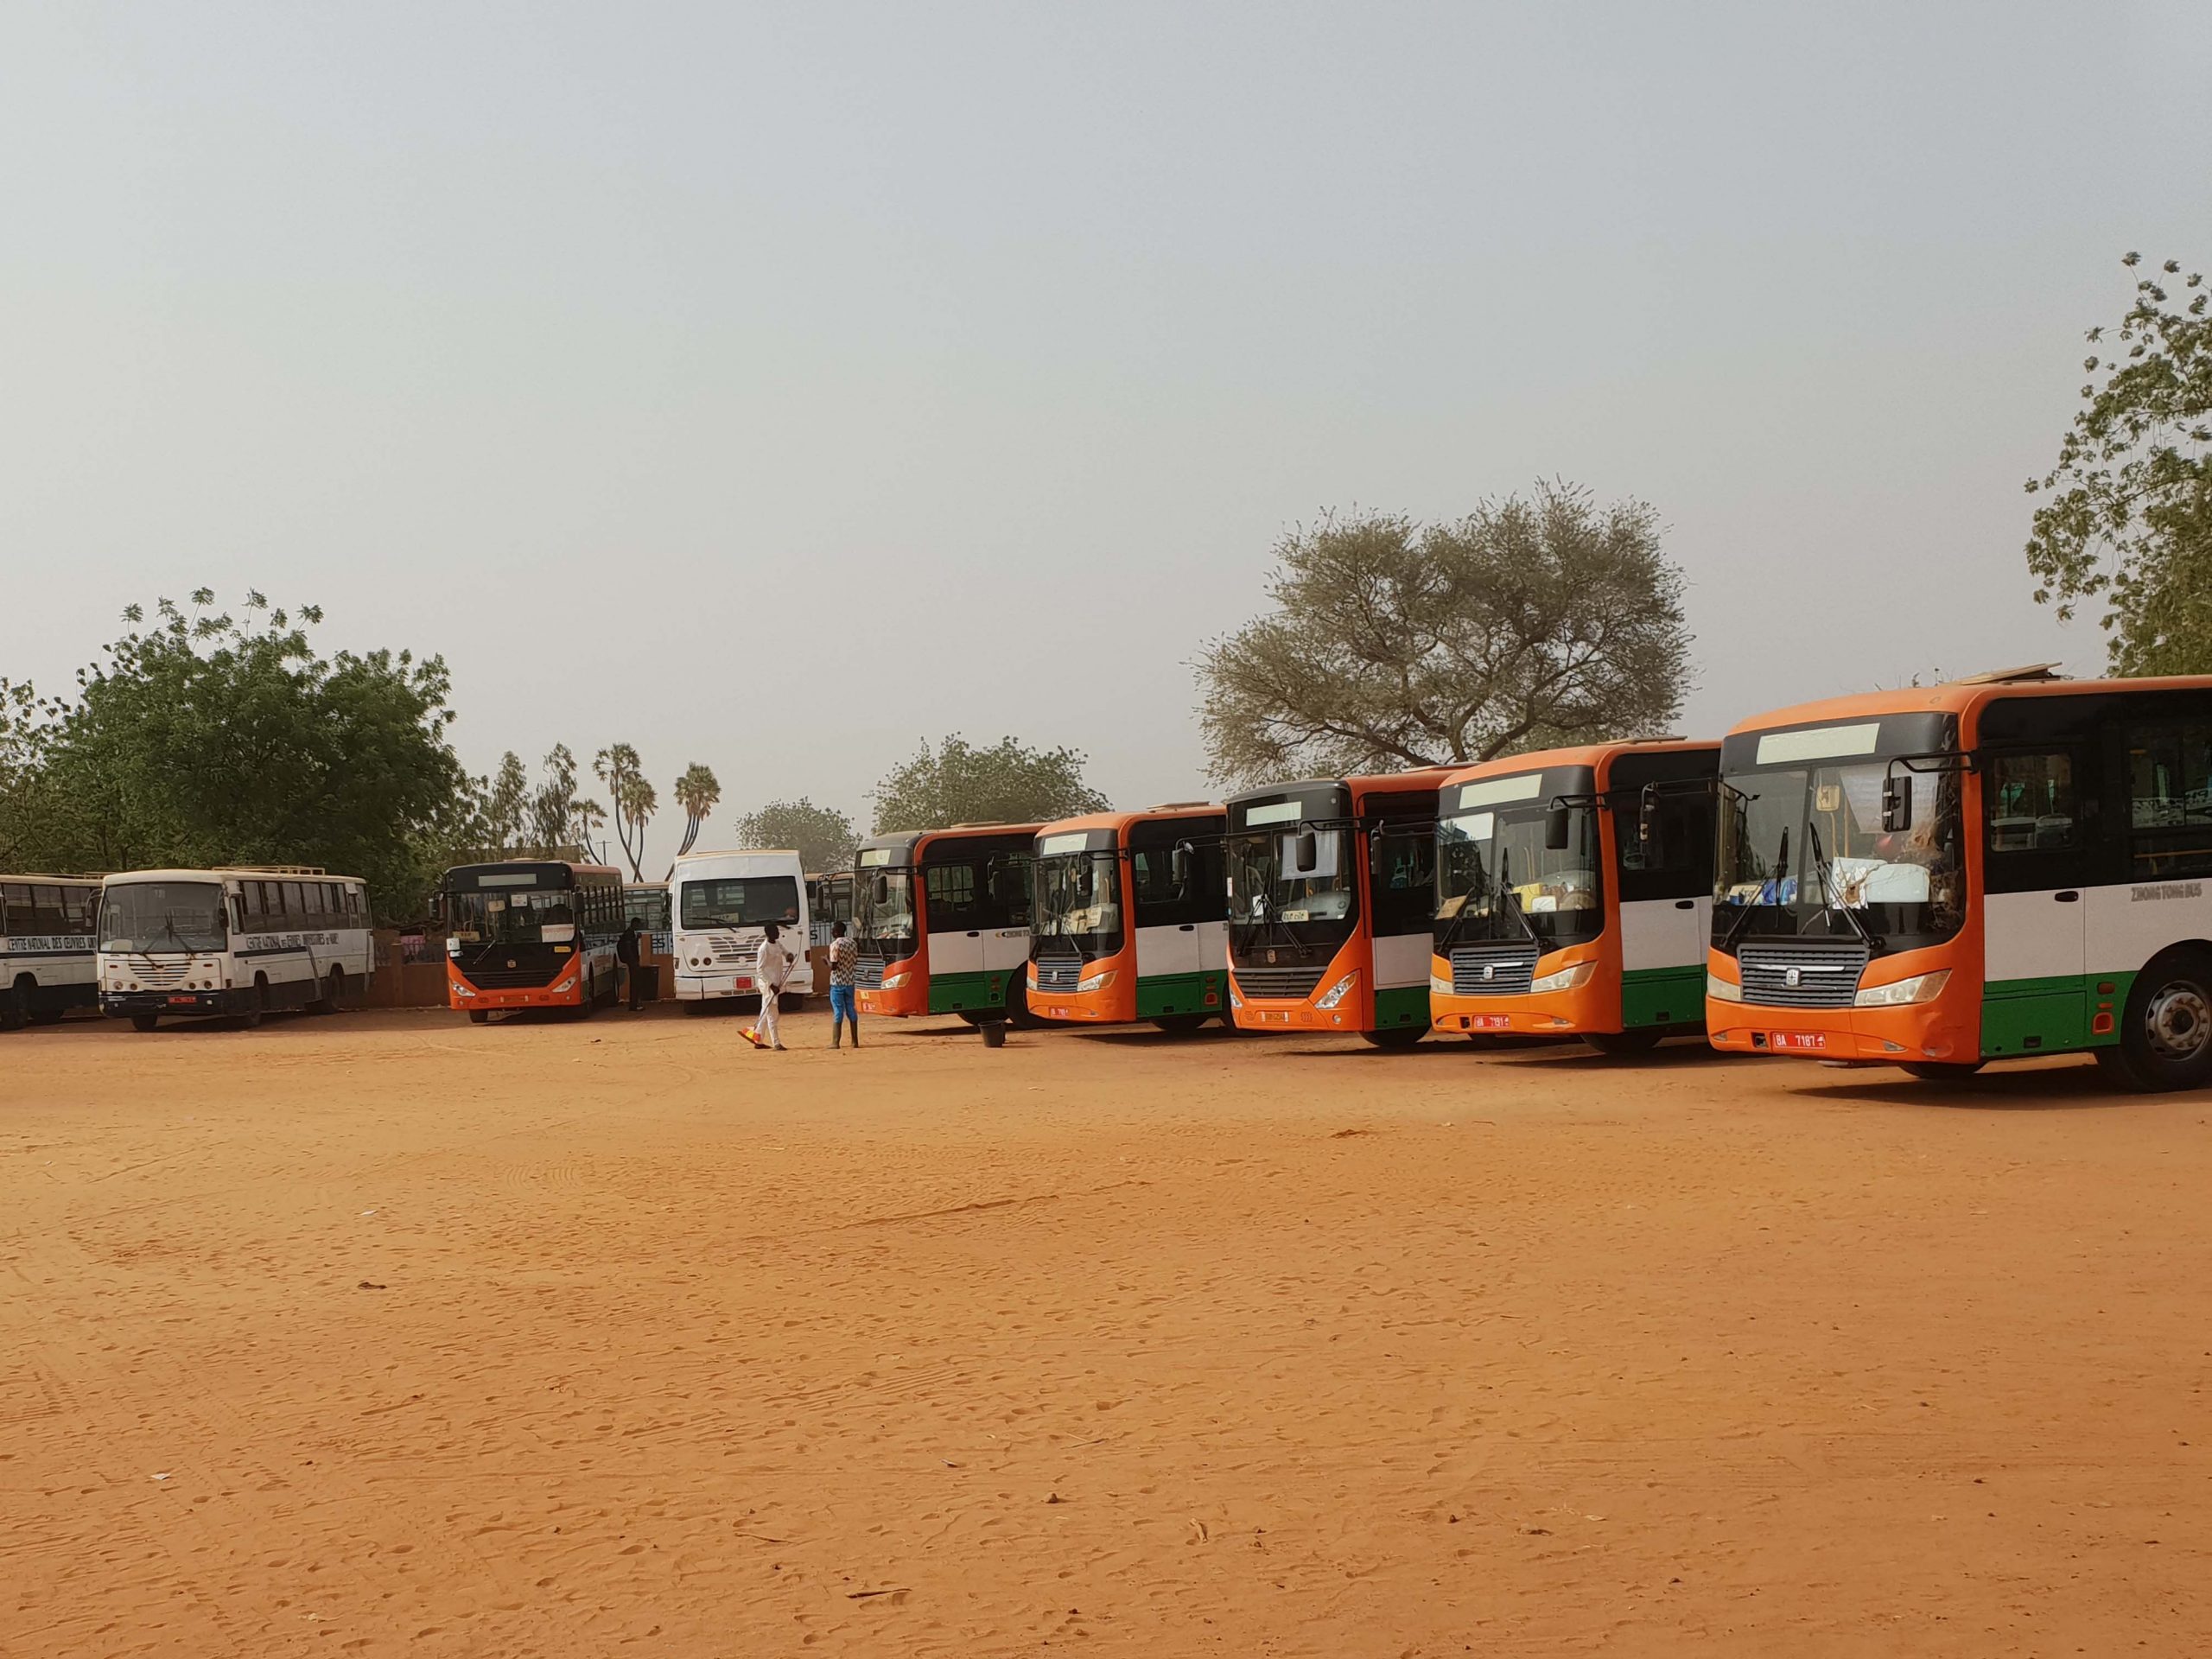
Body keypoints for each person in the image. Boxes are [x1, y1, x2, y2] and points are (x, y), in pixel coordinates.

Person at [748, 921, 791, 1051]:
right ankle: (776, 1043)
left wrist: (790, 956)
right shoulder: (763, 949)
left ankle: (758, 1039)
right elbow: (759, 970)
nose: (778, 933)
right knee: (773, 1014)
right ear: (769, 934)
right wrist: (771, 985)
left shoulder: (777, 944)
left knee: (765, 1011)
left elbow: (786, 952)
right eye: (776, 931)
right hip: (769, 986)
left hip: (776, 983)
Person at [827, 919, 859, 1050]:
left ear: (836, 932)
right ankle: (854, 1041)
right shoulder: (853, 943)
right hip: (850, 981)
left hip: (837, 982)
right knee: (851, 1009)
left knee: (838, 1010)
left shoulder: (835, 945)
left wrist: (826, 961)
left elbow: (834, 966)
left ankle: (835, 1042)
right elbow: (855, 960)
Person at [617, 915, 645, 1011]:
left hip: (633, 961)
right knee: (635, 983)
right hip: (632, 962)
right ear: (634, 924)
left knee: (636, 983)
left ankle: (635, 1004)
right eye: (638, 924)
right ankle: (634, 1005)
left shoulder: (631, 934)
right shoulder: (629, 934)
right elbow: (629, 949)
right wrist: (633, 962)